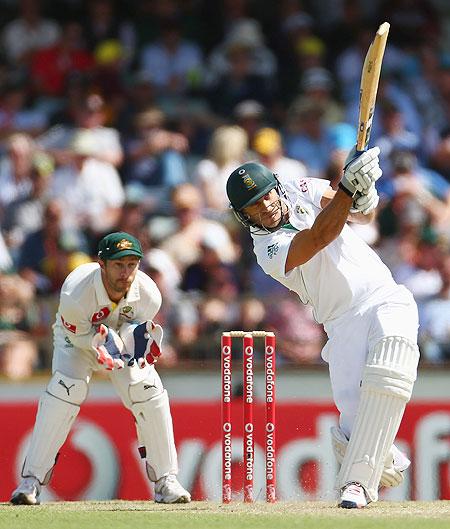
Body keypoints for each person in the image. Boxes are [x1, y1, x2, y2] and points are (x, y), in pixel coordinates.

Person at [226, 149, 419, 509]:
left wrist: (364, 193)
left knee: (391, 368)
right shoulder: (266, 249)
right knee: (355, 422)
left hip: (383, 293)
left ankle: (357, 485)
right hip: (341, 322)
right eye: (253, 205)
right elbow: (317, 238)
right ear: (243, 215)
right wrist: (348, 190)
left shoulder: (300, 186)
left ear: (276, 187)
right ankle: (376, 457)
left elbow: (361, 215)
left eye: (266, 194)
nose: (264, 205)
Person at [10, 231, 191, 505]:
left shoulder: (150, 295)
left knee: (148, 390)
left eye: (132, 264)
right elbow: (78, 335)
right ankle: (30, 482)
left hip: (118, 340)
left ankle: (166, 480)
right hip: (76, 339)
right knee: (66, 391)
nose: (125, 272)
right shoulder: (75, 293)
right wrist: (101, 342)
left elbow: (134, 332)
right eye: (118, 264)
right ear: (102, 264)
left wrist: (134, 340)